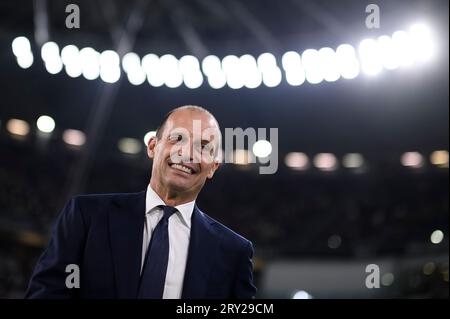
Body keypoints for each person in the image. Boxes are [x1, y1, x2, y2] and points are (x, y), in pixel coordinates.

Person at [25, 105, 257, 299]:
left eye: (204, 147)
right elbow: (47, 293)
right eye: (178, 138)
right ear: (153, 147)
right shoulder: (86, 216)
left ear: (213, 168)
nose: (187, 154)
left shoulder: (234, 252)